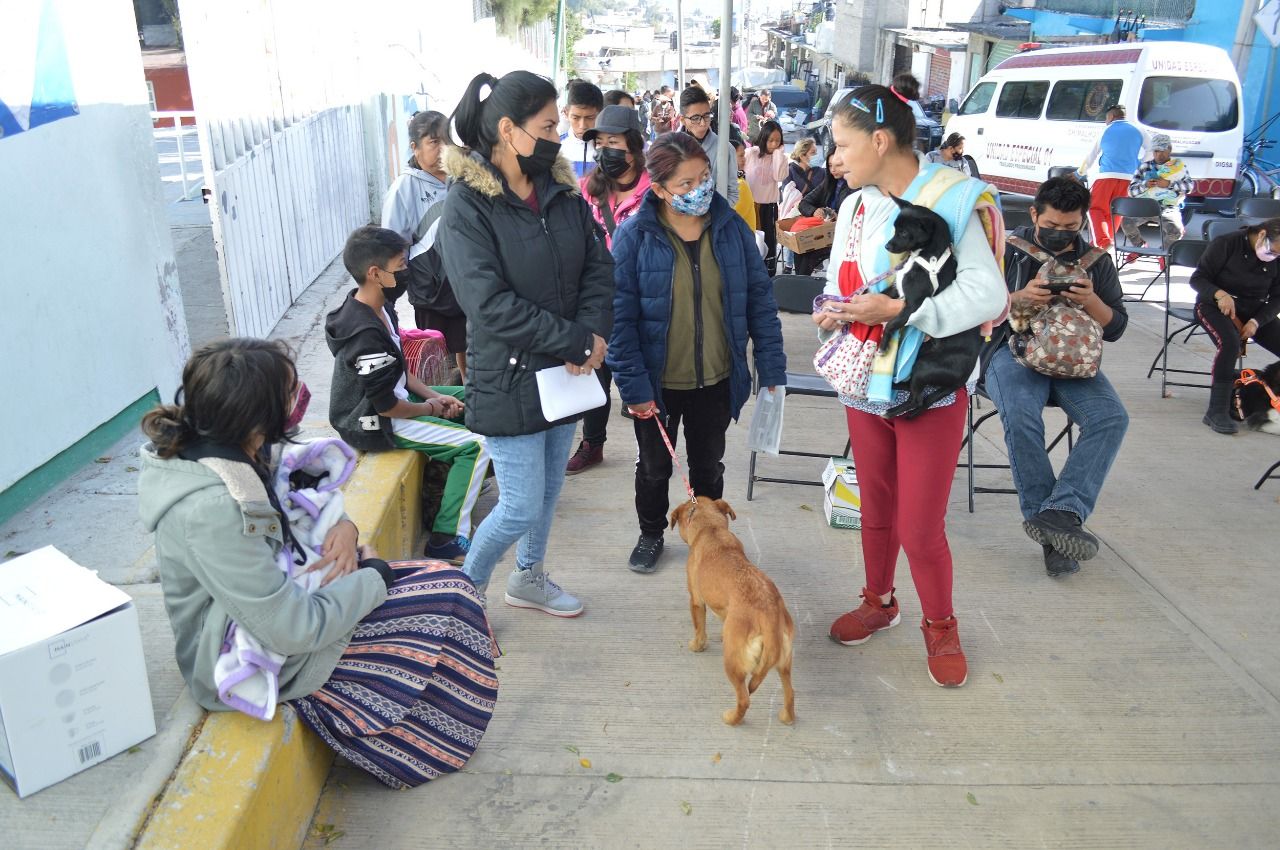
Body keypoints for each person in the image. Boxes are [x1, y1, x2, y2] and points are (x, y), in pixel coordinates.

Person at [138, 338, 497, 789]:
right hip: (251, 654)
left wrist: (344, 528)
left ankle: (439, 719)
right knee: (438, 609)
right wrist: (374, 577)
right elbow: (290, 628)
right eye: (289, 392)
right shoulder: (209, 510)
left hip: (298, 597)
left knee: (451, 588)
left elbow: (313, 496)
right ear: (256, 412)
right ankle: (418, 741)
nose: (300, 398)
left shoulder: (242, 451)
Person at [812, 84, 1007, 687]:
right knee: (875, 505)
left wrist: (898, 311)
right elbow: (848, 281)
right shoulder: (856, 206)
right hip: (864, 380)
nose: (834, 160)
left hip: (929, 386)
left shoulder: (951, 199)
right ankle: (879, 601)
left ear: (879, 139)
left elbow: (989, 294)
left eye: (843, 146)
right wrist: (838, 310)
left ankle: (941, 626)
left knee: (920, 527)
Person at [437, 70, 614, 616]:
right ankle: (463, 606)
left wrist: (590, 335)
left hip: (566, 375)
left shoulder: (560, 192)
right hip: (510, 377)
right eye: (549, 125)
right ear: (509, 130)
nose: (560, 136)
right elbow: (487, 304)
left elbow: (598, 268)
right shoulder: (467, 207)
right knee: (515, 507)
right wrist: (573, 340)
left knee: (547, 494)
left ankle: (529, 577)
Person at [609, 132, 787, 573]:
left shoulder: (731, 231)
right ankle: (651, 533)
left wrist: (771, 367)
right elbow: (617, 321)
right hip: (658, 384)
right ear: (660, 190)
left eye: (704, 177)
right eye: (685, 184)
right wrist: (634, 388)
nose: (699, 190)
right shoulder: (634, 238)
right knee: (654, 469)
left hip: (717, 377)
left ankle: (710, 536)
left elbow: (761, 302)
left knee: (708, 466)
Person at [984, 176, 1129, 576]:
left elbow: (1116, 328)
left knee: (1111, 417)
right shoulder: (1004, 250)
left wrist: (1092, 301)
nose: (1061, 234)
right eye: (1053, 225)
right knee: (1020, 413)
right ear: (1034, 214)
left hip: (1074, 361)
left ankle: (1060, 514)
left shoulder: (1097, 261)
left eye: (1071, 227)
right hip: (1010, 353)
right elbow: (973, 310)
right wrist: (1019, 298)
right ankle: (1053, 533)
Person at [325, 226, 491, 564]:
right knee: (476, 445)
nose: (407, 271)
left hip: (396, 399)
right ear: (375, 273)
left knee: (481, 397)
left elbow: (399, 370)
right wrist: (430, 406)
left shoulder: (380, 308)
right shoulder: (364, 336)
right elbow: (387, 407)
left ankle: (452, 482)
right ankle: (447, 537)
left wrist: (433, 396)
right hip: (373, 422)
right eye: (401, 265)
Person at [566, 105, 652, 475]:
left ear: (633, 147)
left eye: (613, 142)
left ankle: (648, 450)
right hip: (599, 300)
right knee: (595, 377)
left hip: (642, 301)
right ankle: (592, 443)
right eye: (599, 143)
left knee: (642, 379)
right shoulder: (588, 190)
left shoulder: (656, 191)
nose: (605, 151)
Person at [379, 110, 467, 379]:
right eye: (433, 142)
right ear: (414, 147)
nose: (442, 149)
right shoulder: (404, 188)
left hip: (465, 284)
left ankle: (468, 392)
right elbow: (392, 244)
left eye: (446, 141)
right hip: (430, 291)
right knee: (436, 355)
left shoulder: (462, 178)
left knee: (469, 348)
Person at [1190, 218, 1280, 434]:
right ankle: (1216, 410)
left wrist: (1256, 322)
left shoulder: (1277, 259)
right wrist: (1219, 294)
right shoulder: (1226, 243)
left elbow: (1277, 297)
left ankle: (1269, 396)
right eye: (1273, 251)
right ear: (1261, 235)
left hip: (1255, 310)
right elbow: (1198, 279)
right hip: (1214, 305)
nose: (1274, 257)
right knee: (1229, 344)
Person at [1078, 105, 1147, 250]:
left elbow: (1091, 156)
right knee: (1116, 211)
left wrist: (1078, 173)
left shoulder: (1106, 130)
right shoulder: (1139, 130)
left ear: (1110, 117)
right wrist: (1140, 163)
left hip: (1106, 176)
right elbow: (1153, 148)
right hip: (1129, 178)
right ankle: (1104, 241)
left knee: (1094, 207)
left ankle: (1103, 241)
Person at [1122, 133, 1190, 261]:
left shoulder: (1178, 167)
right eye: (1156, 151)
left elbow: (1189, 187)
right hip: (1144, 207)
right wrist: (1145, 185)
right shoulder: (1144, 167)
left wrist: (1169, 184)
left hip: (1167, 208)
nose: (1159, 155)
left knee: (1176, 230)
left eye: (1162, 151)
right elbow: (1131, 191)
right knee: (1126, 221)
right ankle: (1139, 247)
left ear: (1169, 149)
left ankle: (1163, 253)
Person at [793, 145, 851, 276]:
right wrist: (814, 211)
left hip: (840, 237)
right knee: (801, 246)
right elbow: (804, 203)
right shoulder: (828, 183)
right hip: (823, 232)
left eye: (838, 165)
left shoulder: (853, 185)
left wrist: (837, 217)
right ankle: (800, 282)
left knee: (808, 253)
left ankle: (802, 282)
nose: (833, 170)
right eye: (830, 166)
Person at [678, 85, 739, 205]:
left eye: (706, 116)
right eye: (695, 118)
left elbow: (732, 193)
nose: (702, 123)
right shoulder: (671, 149)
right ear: (683, 120)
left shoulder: (725, 149)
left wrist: (713, 215)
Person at [744, 120, 788, 275]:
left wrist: (778, 155)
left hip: (769, 206)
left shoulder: (780, 157)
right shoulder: (751, 153)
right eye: (771, 140)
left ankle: (768, 274)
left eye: (777, 140)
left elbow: (779, 176)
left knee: (769, 241)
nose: (774, 144)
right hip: (751, 205)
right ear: (764, 138)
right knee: (751, 241)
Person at [561, 79, 603, 178]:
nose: (582, 126)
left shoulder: (608, 148)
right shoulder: (557, 146)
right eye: (575, 118)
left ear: (601, 114)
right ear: (566, 113)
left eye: (590, 118)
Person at [729, 137, 758, 230]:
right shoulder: (734, 181)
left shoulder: (740, 185)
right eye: (741, 156)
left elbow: (728, 219)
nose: (744, 159)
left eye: (743, 155)